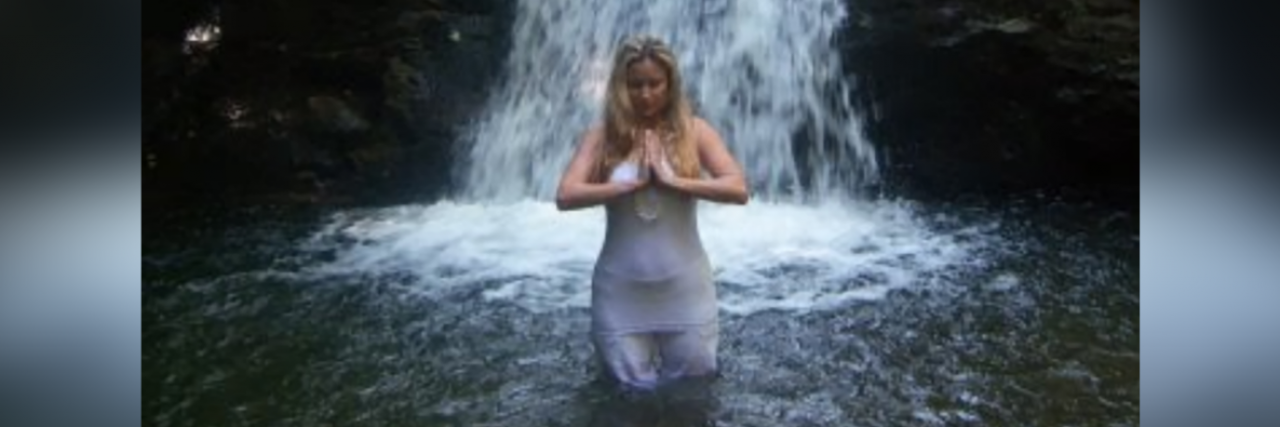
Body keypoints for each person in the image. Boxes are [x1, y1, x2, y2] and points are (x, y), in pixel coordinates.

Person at [555, 35, 749, 391]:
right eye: (635, 85)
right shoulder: (601, 137)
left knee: (694, 398)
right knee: (624, 400)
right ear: (620, 87)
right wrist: (627, 186)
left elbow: (738, 189)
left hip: (686, 289)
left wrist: (674, 182)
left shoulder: (696, 131)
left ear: (670, 85)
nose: (645, 94)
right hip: (620, 292)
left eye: (654, 84)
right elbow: (566, 195)